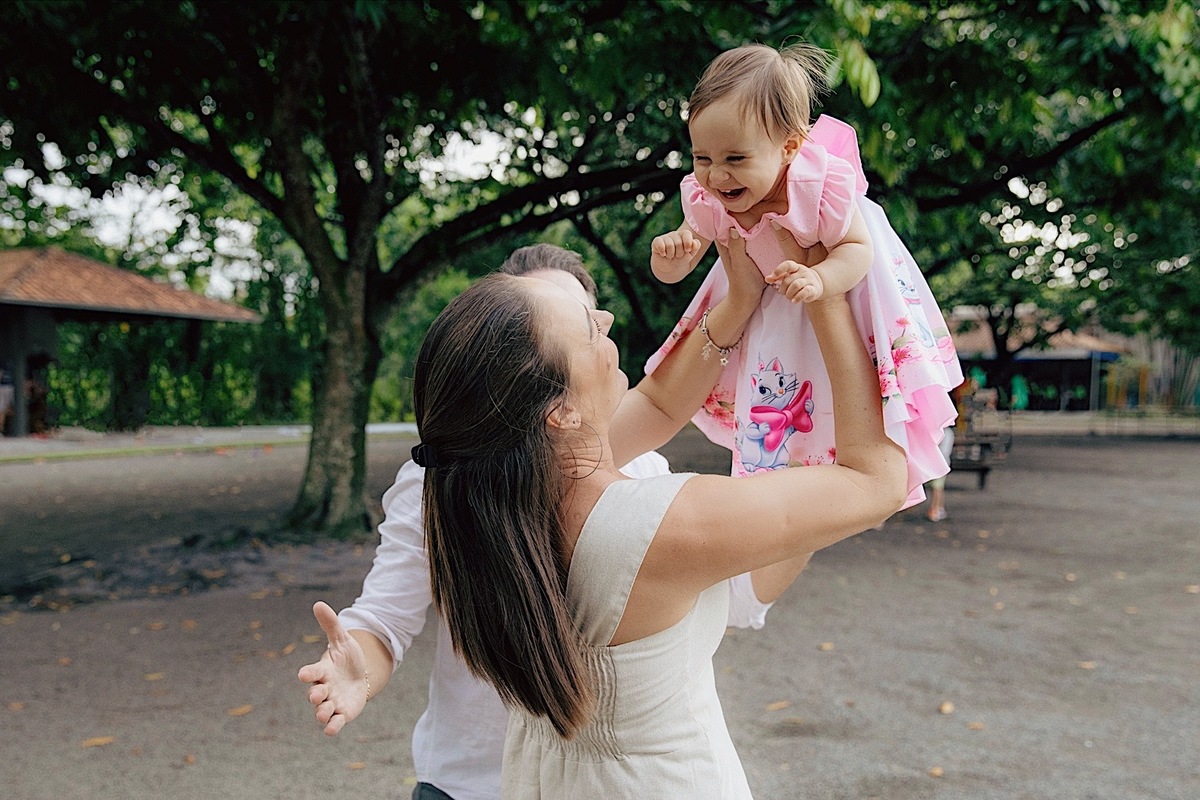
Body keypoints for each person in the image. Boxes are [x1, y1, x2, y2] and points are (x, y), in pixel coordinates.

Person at [311, 226, 904, 797]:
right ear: (560, 412)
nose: (608, 321)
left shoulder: (492, 488)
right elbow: (875, 481)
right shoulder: (659, 523)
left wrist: (738, 302)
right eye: (588, 328)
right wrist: (828, 296)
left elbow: (662, 401)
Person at [647, 42, 962, 505]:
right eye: (702, 158)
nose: (717, 176)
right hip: (774, 304)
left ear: (789, 147)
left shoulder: (819, 186)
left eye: (735, 159)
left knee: (853, 391)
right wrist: (670, 258)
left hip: (845, 292)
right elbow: (683, 259)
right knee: (785, 395)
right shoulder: (707, 197)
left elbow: (857, 250)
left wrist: (822, 280)